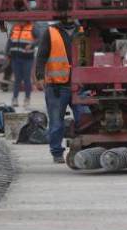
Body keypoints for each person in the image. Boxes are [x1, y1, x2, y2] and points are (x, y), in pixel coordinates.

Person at [34, 18, 88, 164]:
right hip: (57, 86)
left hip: (80, 85)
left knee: (85, 119)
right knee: (56, 122)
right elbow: (41, 56)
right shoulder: (51, 32)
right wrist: (39, 77)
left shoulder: (83, 30)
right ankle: (57, 152)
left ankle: (84, 148)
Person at [5, 21, 36, 109]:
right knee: (17, 79)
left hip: (27, 58)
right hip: (15, 58)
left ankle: (27, 98)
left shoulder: (33, 28)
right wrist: (7, 53)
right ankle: (15, 99)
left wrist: (32, 44)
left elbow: (39, 39)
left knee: (26, 79)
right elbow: (9, 41)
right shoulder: (14, 27)